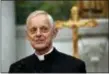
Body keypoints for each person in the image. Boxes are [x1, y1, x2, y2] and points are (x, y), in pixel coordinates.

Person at [8, 10, 86, 73]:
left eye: (44, 29)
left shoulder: (75, 66)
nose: (38, 34)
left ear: (54, 33)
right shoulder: (16, 69)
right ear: (27, 36)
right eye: (33, 30)